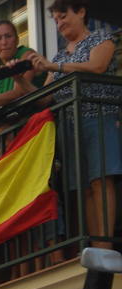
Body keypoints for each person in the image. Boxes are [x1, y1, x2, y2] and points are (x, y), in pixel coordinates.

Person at [23, 0, 122, 248]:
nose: (60, 22)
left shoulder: (101, 40)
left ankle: (105, 245)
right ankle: (96, 243)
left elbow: (96, 66)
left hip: (99, 116)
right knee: (84, 187)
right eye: (56, 19)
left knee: (101, 180)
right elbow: (43, 98)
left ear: (81, 12)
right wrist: (19, 79)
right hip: (70, 125)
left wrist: (53, 66)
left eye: (63, 15)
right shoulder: (59, 56)